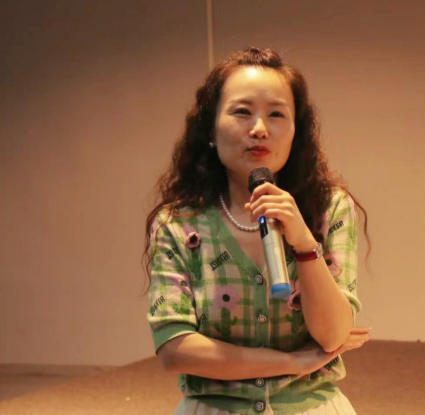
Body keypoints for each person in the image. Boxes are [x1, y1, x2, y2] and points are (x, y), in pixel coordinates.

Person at [144, 47, 372, 415]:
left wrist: (304, 243)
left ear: (296, 132)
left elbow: (333, 335)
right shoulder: (178, 223)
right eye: (242, 112)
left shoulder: (329, 208)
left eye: (277, 114)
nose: (260, 129)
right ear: (211, 130)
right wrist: (293, 363)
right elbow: (175, 349)